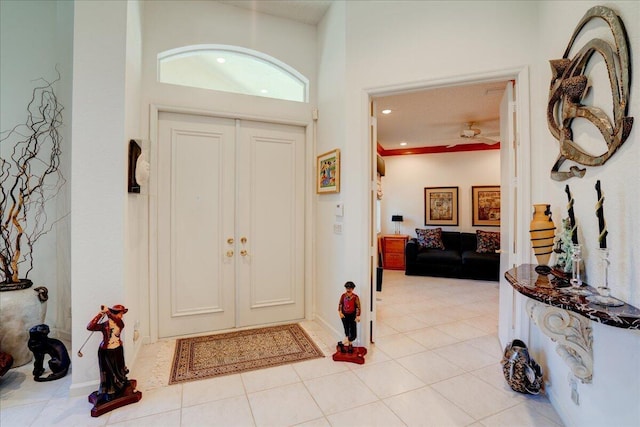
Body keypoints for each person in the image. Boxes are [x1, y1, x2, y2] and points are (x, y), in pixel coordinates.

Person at [87, 304, 131, 404]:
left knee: (119, 368)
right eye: (121, 313)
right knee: (108, 372)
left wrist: (107, 312)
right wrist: (100, 314)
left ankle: (121, 384)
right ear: (116, 313)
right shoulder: (105, 325)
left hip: (117, 348)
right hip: (106, 351)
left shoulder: (120, 323)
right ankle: (110, 391)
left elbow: (118, 321)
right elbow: (90, 327)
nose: (122, 316)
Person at [338, 281, 361, 353]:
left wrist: (357, 316)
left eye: (350, 288)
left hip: (352, 315)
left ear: (353, 289)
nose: (348, 290)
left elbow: (358, 307)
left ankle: (342, 343)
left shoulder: (355, 297)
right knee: (346, 329)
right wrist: (340, 312)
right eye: (347, 288)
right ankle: (349, 344)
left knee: (353, 330)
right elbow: (340, 304)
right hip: (344, 315)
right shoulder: (343, 296)